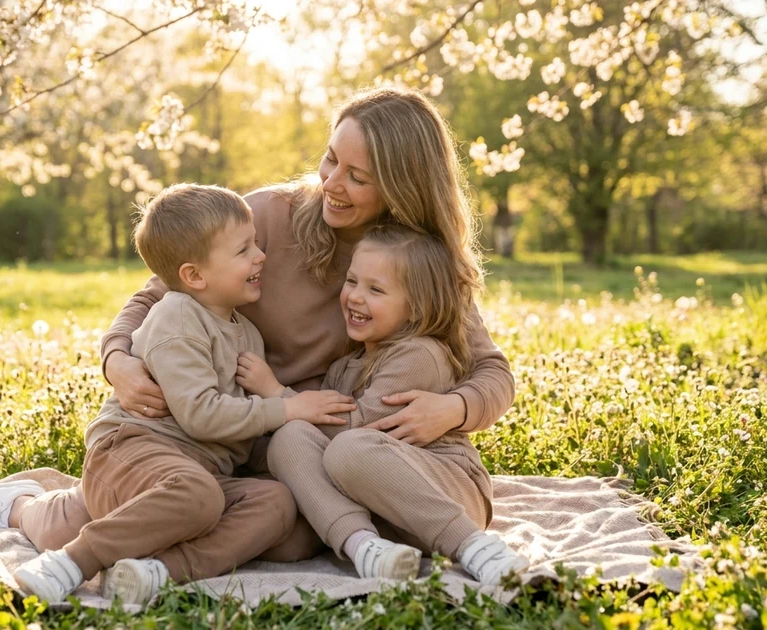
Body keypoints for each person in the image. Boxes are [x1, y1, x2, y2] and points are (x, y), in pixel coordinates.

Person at [101, 86, 517, 561]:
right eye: (330, 159)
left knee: (300, 522)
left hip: (355, 449)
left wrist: (454, 409)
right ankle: (27, 510)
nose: (332, 183)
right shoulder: (265, 217)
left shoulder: (419, 261)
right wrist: (118, 360)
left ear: (403, 188)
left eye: (357, 176)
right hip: (268, 444)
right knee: (283, 535)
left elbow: (493, 372)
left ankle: (439, 543)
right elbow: (154, 296)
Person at [0, 184, 355, 605]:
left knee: (274, 503)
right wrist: (285, 407)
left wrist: (287, 419)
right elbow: (202, 416)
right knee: (190, 499)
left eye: (256, 243)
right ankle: (61, 551)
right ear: (194, 275)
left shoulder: (248, 336)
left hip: (195, 470)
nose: (261, 256)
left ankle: (157, 572)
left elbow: (239, 433)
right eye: (244, 250)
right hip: (132, 449)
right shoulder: (177, 317)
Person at [239, 225, 528, 584]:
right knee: (291, 438)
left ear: (416, 308)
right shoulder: (344, 366)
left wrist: (277, 394)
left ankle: (474, 547)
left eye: (375, 290)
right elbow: (313, 436)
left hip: (450, 493)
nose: (356, 297)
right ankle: (365, 548)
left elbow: (354, 428)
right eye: (352, 282)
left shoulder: (419, 354)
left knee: (348, 447)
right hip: (388, 514)